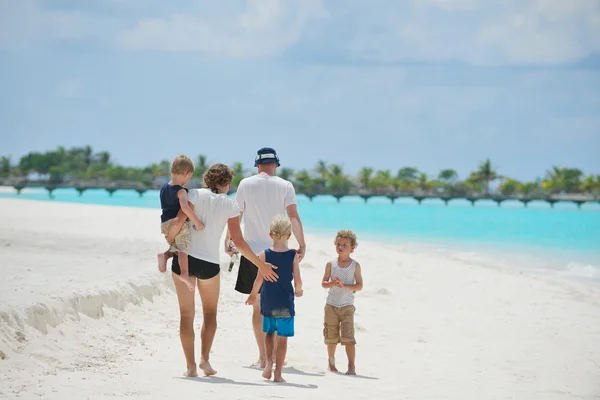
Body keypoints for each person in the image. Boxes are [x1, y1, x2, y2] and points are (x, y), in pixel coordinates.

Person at [165, 163, 278, 378]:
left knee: (186, 315)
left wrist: (170, 239)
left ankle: (190, 367)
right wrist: (260, 264)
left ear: (207, 180)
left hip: (184, 260)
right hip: (208, 264)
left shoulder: (193, 194)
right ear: (227, 184)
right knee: (210, 314)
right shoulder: (230, 205)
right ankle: (204, 360)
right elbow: (239, 241)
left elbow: (179, 221)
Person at [225, 147, 307, 368]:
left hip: (252, 254)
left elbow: (236, 216)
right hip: (279, 254)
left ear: (257, 165)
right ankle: (275, 356)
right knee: (278, 307)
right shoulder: (286, 186)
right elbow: (293, 216)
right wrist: (301, 243)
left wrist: (228, 240)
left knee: (258, 308)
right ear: (276, 165)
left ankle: (263, 357)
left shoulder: (245, 184)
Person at [246, 216, 303, 383]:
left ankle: (268, 363)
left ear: (271, 235)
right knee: (282, 337)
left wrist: (252, 295)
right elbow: (297, 280)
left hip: (268, 300)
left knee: (269, 332)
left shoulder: (264, 254)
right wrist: (299, 290)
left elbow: (259, 279)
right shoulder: (293, 255)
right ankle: (278, 373)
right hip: (285, 301)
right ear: (289, 236)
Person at [157, 154, 205, 292]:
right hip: (177, 223)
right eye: (190, 177)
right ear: (187, 174)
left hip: (165, 224)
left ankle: (165, 255)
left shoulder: (164, 188)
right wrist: (197, 222)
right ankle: (184, 273)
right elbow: (185, 208)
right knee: (183, 249)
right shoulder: (181, 191)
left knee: (177, 247)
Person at [321, 230, 363, 375]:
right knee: (330, 337)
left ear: (352, 248)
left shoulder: (355, 266)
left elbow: (359, 286)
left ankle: (351, 367)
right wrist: (332, 283)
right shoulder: (331, 264)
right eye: (338, 244)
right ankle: (331, 363)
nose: (341, 247)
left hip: (347, 307)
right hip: (331, 305)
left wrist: (345, 286)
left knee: (349, 338)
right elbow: (324, 283)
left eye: (345, 245)